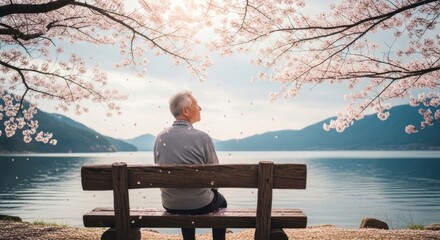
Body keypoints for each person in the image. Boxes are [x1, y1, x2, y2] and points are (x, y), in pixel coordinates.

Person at [154, 91, 228, 240]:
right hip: (201, 204)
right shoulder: (202, 137)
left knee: (184, 197)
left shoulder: (160, 137)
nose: (200, 108)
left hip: (170, 203)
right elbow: (216, 176)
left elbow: (158, 167)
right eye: (196, 104)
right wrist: (211, 190)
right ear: (186, 111)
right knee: (222, 201)